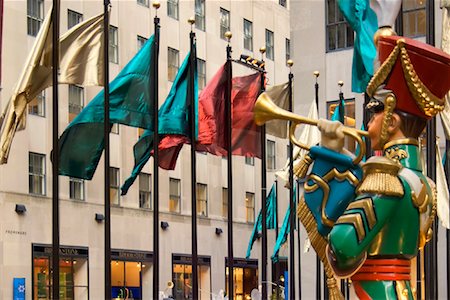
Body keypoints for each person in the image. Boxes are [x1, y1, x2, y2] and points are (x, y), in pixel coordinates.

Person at [317, 35, 450, 299]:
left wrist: (326, 162)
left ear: (391, 122)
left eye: (373, 114)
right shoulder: (425, 184)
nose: (367, 125)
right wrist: (336, 150)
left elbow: (343, 245)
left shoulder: (384, 177)